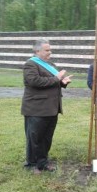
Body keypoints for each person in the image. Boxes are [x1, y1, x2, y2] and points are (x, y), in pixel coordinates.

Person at [21, 39, 72, 174]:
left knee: (46, 138)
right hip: (36, 109)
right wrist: (57, 78)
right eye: (47, 50)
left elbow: (53, 82)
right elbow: (34, 81)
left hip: (51, 108)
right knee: (35, 138)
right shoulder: (30, 64)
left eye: (50, 49)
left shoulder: (49, 64)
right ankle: (31, 164)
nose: (50, 52)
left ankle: (43, 162)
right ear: (37, 51)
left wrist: (62, 82)